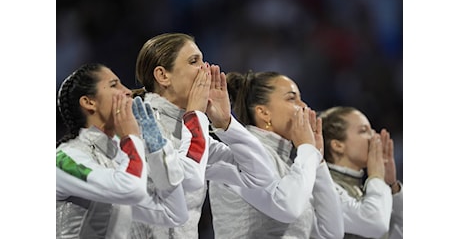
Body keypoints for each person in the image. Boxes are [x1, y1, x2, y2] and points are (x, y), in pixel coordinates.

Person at [130, 33, 276, 238]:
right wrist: (196, 116)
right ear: (163, 76)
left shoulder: (190, 133)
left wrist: (225, 123)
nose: (205, 69)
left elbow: (261, 176)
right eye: (193, 61)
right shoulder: (138, 127)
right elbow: (188, 177)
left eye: (203, 60)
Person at [56, 63, 189, 238]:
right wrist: (131, 137)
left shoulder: (120, 156)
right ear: (89, 102)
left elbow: (174, 214)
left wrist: (157, 150)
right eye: (114, 85)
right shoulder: (63, 159)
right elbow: (131, 189)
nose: (127, 91)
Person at [208, 71, 344, 239]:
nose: (304, 106)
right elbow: (288, 208)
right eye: (291, 98)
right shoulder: (240, 156)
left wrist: (318, 160)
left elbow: (331, 232)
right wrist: (307, 149)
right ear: (264, 113)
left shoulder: (292, 164)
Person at [319, 106, 403, 239]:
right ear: (338, 145)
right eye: (363, 131)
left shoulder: (367, 190)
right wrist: (376, 177)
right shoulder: (324, 188)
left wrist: (392, 186)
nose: (374, 137)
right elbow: (376, 224)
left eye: (372, 131)